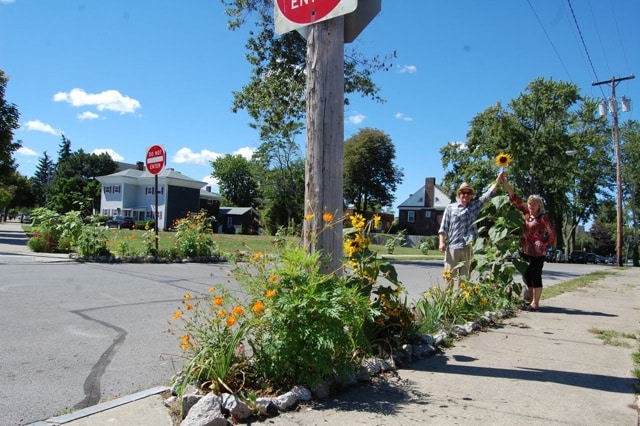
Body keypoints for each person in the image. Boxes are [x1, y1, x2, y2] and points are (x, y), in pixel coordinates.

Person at [502, 177, 556, 311]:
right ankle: (530, 301)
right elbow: (515, 199)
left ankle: (536, 303)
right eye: (529, 203)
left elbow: (552, 233)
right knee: (527, 276)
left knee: (536, 275)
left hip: (538, 252)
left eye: (534, 204)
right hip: (525, 249)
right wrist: (506, 183)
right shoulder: (526, 215)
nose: (531, 206)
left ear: (539, 206)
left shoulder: (542, 218)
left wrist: (545, 244)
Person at [438, 172, 504, 282]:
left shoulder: (475, 206)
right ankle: (448, 299)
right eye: (463, 192)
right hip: (452, 248)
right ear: (459, 194)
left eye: (468, 193)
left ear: (471, 195)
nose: (466, 195)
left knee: (464, 280)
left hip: (468, 248)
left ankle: (462, 299)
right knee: (449, 278)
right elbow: (443, 227)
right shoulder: (450, 207)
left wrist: (498, 181)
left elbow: (488, 195)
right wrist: (441, 242)